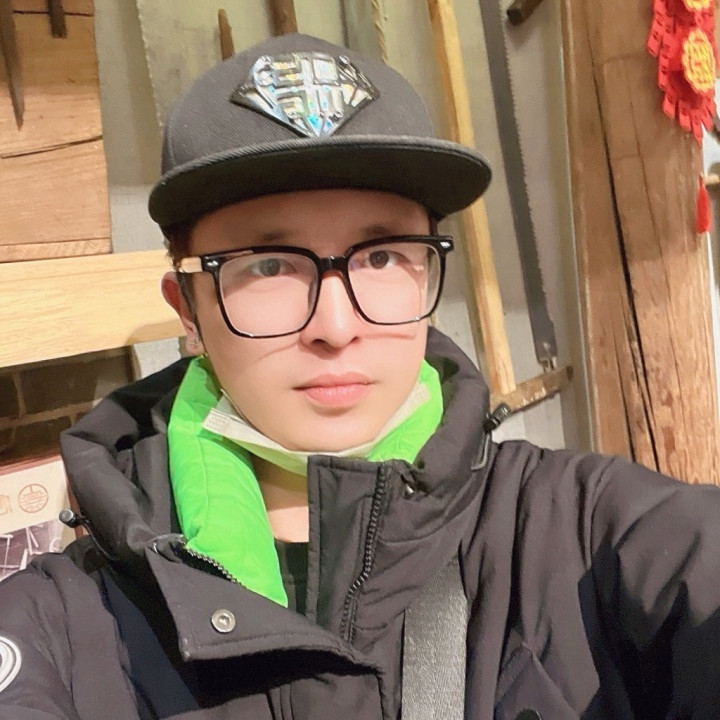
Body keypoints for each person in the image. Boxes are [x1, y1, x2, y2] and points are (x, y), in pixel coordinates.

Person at [1, 32, 720, 720]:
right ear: (187, 307)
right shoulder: (62, 625)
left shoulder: (581, 530)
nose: (337, 325)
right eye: (268, 265)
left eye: (380, 257)